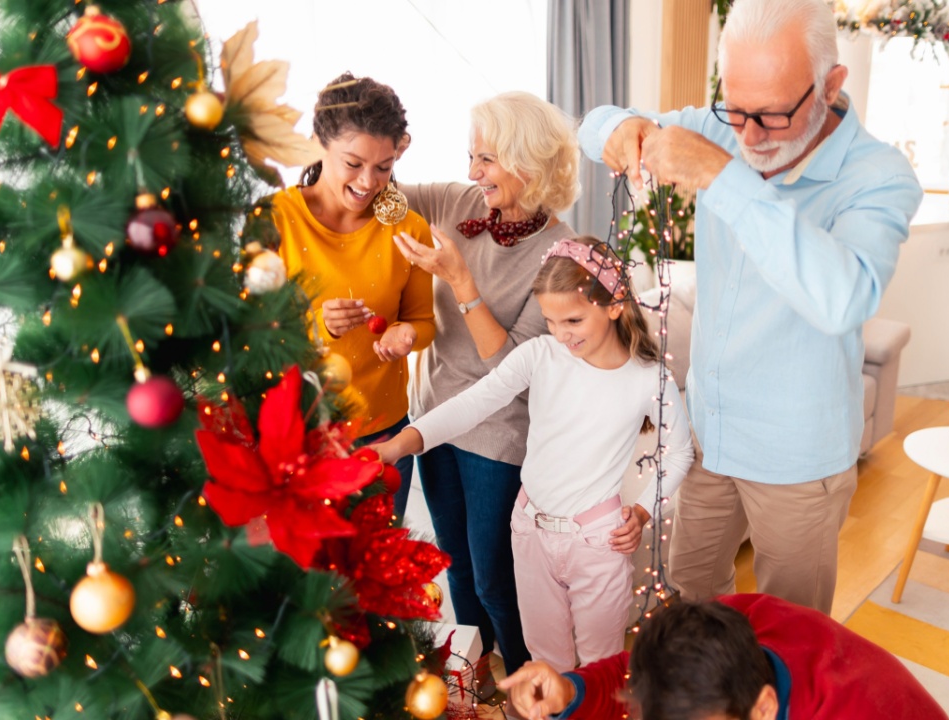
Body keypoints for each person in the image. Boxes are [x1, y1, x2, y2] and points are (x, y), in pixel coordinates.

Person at [577, 0, 922, 613]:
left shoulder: (878, 175)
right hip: (710, 435)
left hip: (798, 455)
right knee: (691, 599)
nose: (748, 136)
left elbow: (843, 298)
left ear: (831, 85)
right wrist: (620, 130)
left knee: (792, 627)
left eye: (772, 114)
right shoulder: (719, 126)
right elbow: (596, 122)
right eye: (734, 109)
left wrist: (723, 177)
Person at [375, 237, 693, 670]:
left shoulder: (648, 378)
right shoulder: (540, 355)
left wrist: (641, 512)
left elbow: (678, 453)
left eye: (574, 320)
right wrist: (400, 444)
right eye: (550, 321)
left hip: (597, 543)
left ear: (615, 304)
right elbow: (473, 404)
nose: (561, 334)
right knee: (545, 664)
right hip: (528, 531)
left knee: (601, 668)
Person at [386, 92, 581, 674]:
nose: (473, 172)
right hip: (434, 416)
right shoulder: (457, 201)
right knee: (456, 566)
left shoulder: (561, 252)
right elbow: (381, 198)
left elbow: (514, 369)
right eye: (471, 156)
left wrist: (460, 280)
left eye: (487, 159)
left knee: (495, 577)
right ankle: (475, 684)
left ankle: (528, 683)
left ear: (529, 162)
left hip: (498, 430)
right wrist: (387, 153)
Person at [269, 72, 435, 519]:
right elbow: (244, 330)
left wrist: (406, 335)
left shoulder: (408, 228)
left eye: (383, 167)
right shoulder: (276, 219)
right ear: (318, 146)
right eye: (353, 163)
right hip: (298, 433)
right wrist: (315, 325)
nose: (368, 181)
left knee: (380, 560)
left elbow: (423, 323)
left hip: (383, 436)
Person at [498, 594, 949, 720]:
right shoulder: (735, 619)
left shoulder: (853, 708)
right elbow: (634, 671)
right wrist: (571, 690)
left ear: (765, 709)